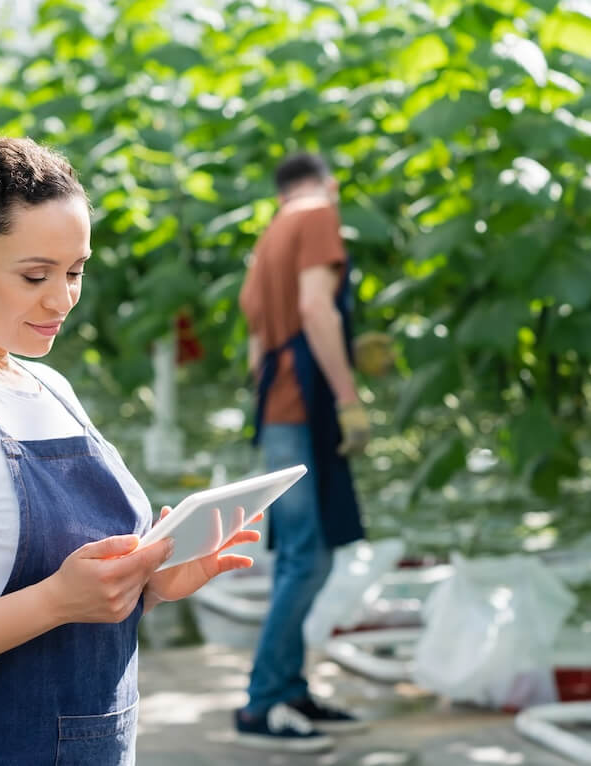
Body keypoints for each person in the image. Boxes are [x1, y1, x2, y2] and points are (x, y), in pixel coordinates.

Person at [0, 137, 261, 766]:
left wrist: (150, 583)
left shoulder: (50, 388)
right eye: (35, 276)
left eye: (75, 271)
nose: (61, 299)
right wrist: (55, 601)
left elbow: (54, 589)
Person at [235, 152, 371, 752]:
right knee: (307, 558)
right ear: (328, 185)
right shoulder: (317, 215)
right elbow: (316, 309)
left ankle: (288, 689)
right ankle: (264, 700)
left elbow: (256, 339)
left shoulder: (271, 234)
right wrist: (348, 398)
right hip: (304, 406)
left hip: (277, 406)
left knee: (303, 553)